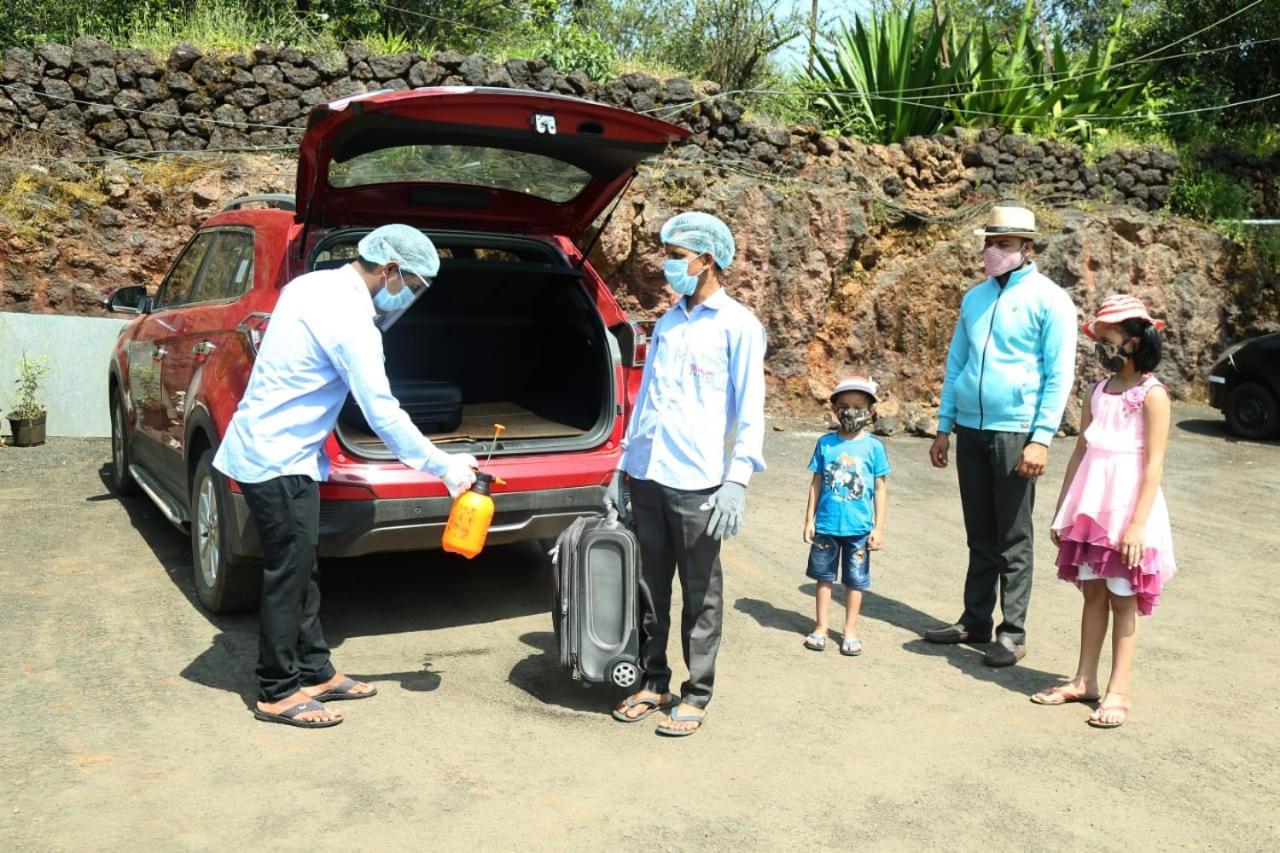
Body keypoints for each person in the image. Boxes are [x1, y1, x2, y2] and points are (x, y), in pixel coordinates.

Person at [213, 224, 478, 728]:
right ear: (391, 269)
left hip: (282, 451)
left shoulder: (312, 284)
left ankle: (315, 669)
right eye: (414, 285)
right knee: (288, 572)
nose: (412, 296)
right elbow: (381, 409)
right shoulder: (350, 317)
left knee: (302, 563)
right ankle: (277, 688)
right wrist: (442, 466)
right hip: (278, 458)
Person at [605, 211, 766, 737]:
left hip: (698, 482)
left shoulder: (738, 326)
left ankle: (697, 692)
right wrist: (622, 468)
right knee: (649, 587)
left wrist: (736, 479)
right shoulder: (669, 322)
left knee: (701, 592)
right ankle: (653, 681)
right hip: (648, 474)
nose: (666, 264)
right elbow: (646, 398)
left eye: (676, 256)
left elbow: (750, 410)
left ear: (707, 260)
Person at [925, 205, 1078, 667]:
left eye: (1005, 244)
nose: (994, 251)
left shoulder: (1050, 300)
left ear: (1027, 248)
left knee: (1013, 535)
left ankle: (1012, 631)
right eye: (990, 242)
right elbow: (956, 365)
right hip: (970, 427)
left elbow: (1058, 375)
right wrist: (944, 426)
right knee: (980, 531)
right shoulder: (974, 298)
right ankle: (975, 620)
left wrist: (1041, 437)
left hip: (1016, 431)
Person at [1031, 295, 1175, 728]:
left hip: (1128, 509)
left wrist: (1137, 524)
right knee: (1093, 593)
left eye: (1110, 338)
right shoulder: (1097, 390)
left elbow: (1154, 462)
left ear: (1134, 340)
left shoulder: (1153, 395)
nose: (1105, 346)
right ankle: (1084, 679)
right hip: (1091, 507)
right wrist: (1063, 509)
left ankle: (1119, 689)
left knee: (1123, 596)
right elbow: (1080, 450)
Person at [801, 376, 890, 657]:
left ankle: (850, 630)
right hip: (827, 525)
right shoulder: (826, 444)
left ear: (871, 411)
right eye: (845, 405)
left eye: (858, 406)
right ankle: (821, 627)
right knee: (823, 577)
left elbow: (880, 488)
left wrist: (879, 527)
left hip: (860, 529)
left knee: (855, 581)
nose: (851, 412)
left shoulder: (874, 447)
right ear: (834, 408)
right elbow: (816, 482)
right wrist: (809, 519)